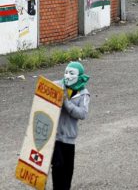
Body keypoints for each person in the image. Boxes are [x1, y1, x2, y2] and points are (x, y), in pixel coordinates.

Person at [52, 61, 90, 190]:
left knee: (68, 172)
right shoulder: (57, 86)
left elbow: (83, 113)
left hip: (69, 138)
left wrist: (67, 103)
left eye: (71, 73)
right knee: (57, 166)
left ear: (79, 76)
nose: (67, 76)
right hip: (54, 137)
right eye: (66, 72)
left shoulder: (83, 93)